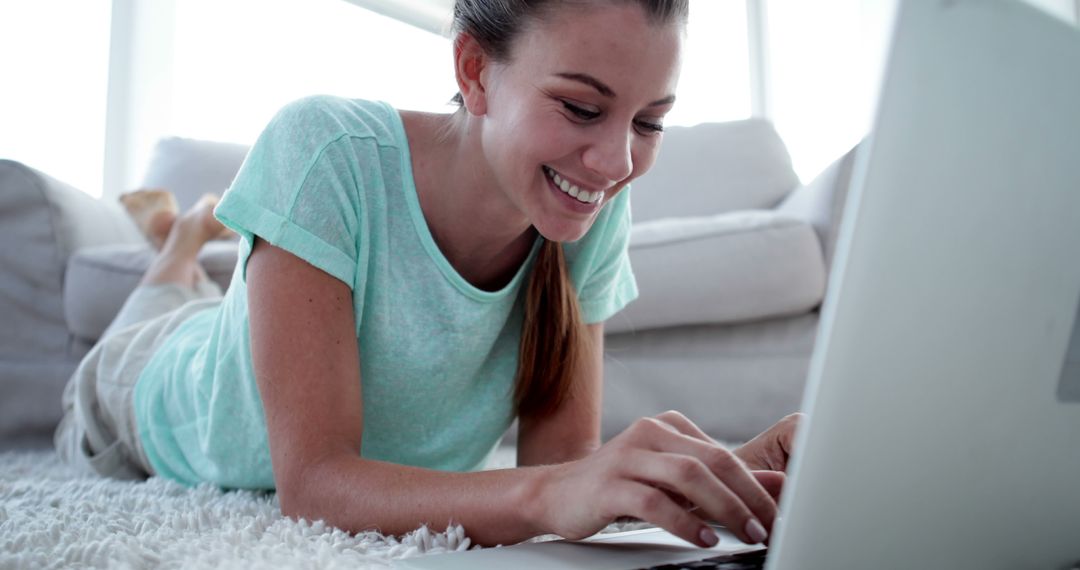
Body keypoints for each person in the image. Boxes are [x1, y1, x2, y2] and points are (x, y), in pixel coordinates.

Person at [56, 0, 803, 549]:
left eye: (649, 122)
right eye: (581, 108)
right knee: (163, 298)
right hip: (140, 385)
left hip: (238, 337)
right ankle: (181, 246)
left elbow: (566, 474)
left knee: (217, 304)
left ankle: (195, 251)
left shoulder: (591, 210)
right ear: (475, 72)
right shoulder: (323, 149)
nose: (615, 164)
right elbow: (314, 486)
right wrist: (546, 493)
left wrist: (727, 472)